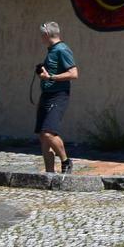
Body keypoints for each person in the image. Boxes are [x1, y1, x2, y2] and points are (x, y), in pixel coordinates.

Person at [35, 21, 78, 173]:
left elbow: (73, 73)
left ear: (46, 35)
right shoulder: (51, 50)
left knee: (48, 132)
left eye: (41, 35)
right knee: (43, 136)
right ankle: (49, 174)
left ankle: (66, 161)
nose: (40, 38)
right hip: (46, 95)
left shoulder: (62, 49)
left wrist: (51, 77)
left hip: (58, 96)